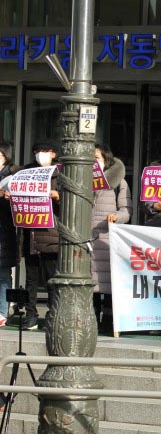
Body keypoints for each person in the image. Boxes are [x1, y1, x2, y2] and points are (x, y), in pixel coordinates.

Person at [91, 144, 132, 335]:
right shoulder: (82, 180)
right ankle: (90, 320)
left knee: (109, 285)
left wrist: (116, 216)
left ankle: (108, 321)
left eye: (97, 158)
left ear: (106, 160)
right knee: (89, 286)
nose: (94, 162)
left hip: (107, 240)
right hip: (86, 241)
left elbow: (126, 210)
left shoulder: (119, 182)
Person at [20, 139, 61, 330]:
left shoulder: (60, 173)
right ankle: (31, 315)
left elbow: (69, 200)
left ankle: (52, 315)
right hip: (30, 233)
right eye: (37, 151)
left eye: (45, 151)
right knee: (31, 278)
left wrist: (57, 195)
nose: (40, 154)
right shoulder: (26, 172)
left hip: (51, 233)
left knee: (52, 278)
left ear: (53, 153)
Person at [0, 142, 18, 327]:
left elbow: (17, 208)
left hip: (3, 232)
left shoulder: (11, 178)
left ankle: (2, 311)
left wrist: (5, 198)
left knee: (3, 274)